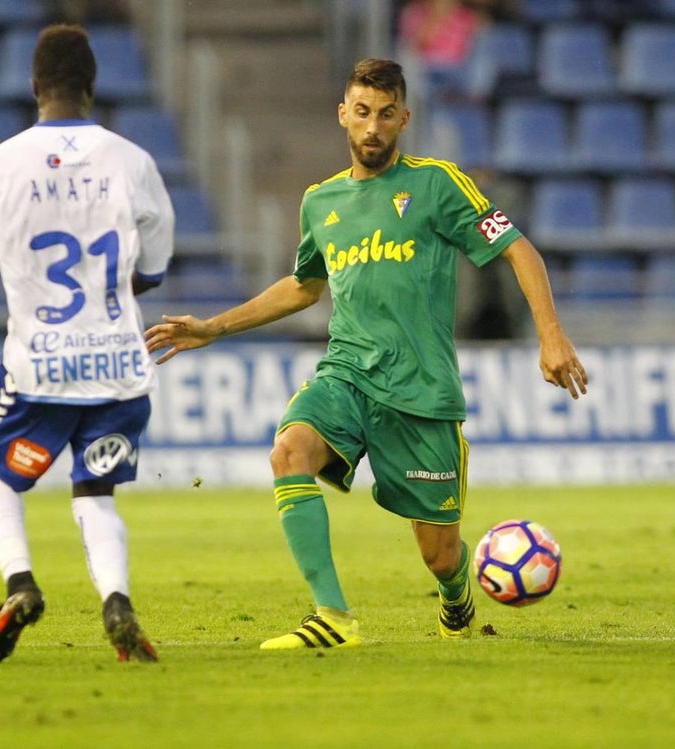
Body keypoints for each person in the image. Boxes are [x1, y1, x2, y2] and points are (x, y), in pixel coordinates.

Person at [145, 58, 586, 649]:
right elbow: (304, 285)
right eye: (361, 113)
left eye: (384, 115)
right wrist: (214, 328)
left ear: (404, 118)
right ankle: (332, 615)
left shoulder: (437, 184)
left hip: (422, 393)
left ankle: (457, 599)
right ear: (342, 116)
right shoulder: (320, 202)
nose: (372, 127)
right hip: (347, 373)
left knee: (439, 554)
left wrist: (551, 334)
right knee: (289, 450)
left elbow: (517, 248)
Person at [0, 24, 173, 664]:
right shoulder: (134, 163)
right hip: (121, 366)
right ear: (93, 88)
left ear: (35, 87)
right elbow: (149, 272)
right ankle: (115, 599)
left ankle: (20, 584)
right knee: (94, 492)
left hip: (40, 367)